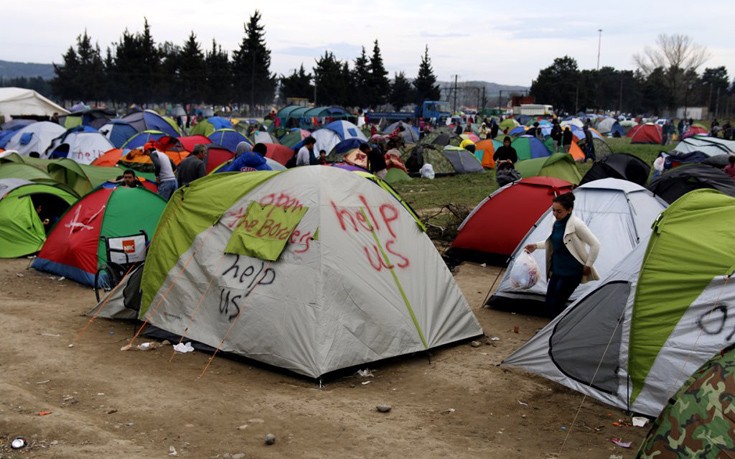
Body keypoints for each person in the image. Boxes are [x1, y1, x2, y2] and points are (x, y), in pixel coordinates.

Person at [524, 193, 600, 317]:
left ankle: (556, 332)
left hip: (572, 271)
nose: (555, 214)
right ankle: (551, 330)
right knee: (550, 301)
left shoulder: (576, 224)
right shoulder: (557, 223)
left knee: (557, 302)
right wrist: (536, 246)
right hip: (557, 270)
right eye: (553, 210)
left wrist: (588, 264)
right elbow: (555, 242)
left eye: (559, 211)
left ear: (569, 210)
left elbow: (595, 244)